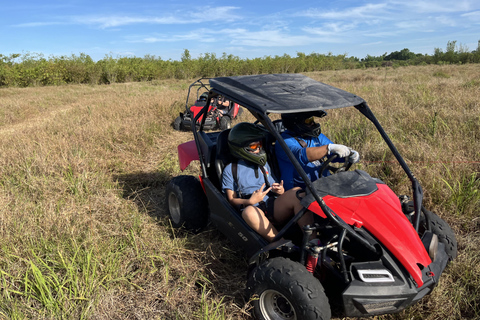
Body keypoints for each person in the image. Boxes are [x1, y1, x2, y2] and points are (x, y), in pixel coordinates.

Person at [222, 122, 312, 242]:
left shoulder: (263, 164)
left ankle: (312, 242)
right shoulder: (231, 169)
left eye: (260, 145)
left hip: (271, 204)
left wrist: (280, 190)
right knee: (248, 212)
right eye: (254, 147)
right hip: (252, 208)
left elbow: (274, 185)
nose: (259, 149)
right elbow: (231, 200)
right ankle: (280, 244)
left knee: (298, 193)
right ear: (240, 147)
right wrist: (250, 201)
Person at [275, 111, 360, 190]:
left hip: (324, 183)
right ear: (295, 123)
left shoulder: (315, 136)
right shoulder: (284, 141)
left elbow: (333, 154)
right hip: (299, 190)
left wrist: (349, 156)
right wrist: (328, 148)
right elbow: (301, 155)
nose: (313, 123)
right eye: (308, 121)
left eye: (312, 119)